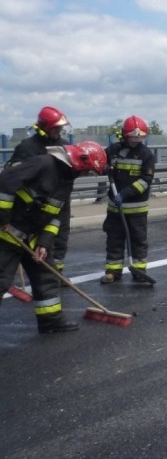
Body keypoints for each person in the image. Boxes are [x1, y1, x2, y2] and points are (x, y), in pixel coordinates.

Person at [0, 141, 107, 334]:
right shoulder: (43, 164)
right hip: (6, 233)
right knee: (1, 279)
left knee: (46, 277)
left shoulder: (66, 180)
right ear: (81, 161)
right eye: (88, 171)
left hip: (31, 237)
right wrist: (3, 217)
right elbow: (5, 181)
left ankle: (50, 321)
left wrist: (45, 242)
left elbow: (56, 214)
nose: (86, 175)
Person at [5, 106, 74, 275]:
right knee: (29, 235)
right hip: (32, 203)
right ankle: (34, 270)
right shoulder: (27, 147)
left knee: (59, 236)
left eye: (61, 128)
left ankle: (56, 272)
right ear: (45, 128)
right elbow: (12, 174)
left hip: (59, 200)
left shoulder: (65, 146)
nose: (59, 131)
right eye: (56, 128)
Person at [100, 116, 156, 284]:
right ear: (125, 135)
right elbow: (100, 161)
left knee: (138, 240)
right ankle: (112, 271)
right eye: (133, 136)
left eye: (139, 137)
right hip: (115, 208)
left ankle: (139, 271)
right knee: (114, 239)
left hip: (136, 209)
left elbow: (146, 180)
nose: (136, 139)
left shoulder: (146, 155)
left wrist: (125, 194)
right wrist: (103, 167)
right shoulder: (113, 150)